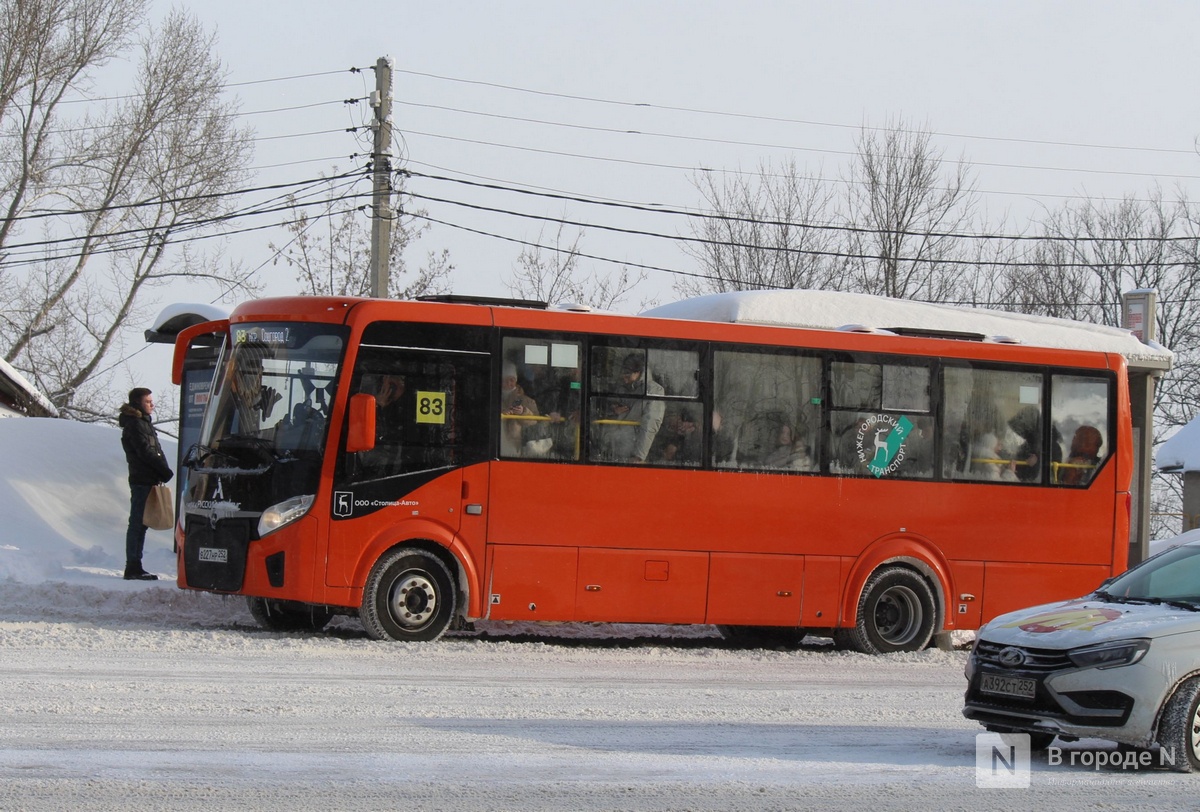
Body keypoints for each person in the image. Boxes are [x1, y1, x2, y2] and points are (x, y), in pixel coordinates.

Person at [118, 387, 173, 581]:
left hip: (148, 479)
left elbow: (152, 450)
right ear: (137, 403)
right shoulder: (135, 424)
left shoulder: (143, 423)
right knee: (138, 523)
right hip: (142, 480)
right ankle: (133, 566)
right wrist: (164, 470)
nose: (152, 405)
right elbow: (145, 452)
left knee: (141, 523)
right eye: (148, 402)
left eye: (151, 401)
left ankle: (135, 565)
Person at [605, 354, 665, 463]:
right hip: (613, 446)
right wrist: (613, 409)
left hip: (633, 451)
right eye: (623, 375)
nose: (625, 379)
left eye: (627, 376)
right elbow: (606, 404)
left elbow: (650, 423)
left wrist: (639, 455)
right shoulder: (622, 387)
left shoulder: (654, 390)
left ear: (638, 372)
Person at [500, 363, 548, 457]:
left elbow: (535, 422)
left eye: (511, 380)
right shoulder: (492, 396)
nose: (509, 383)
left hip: (514, 447)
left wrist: (523, 412)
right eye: (505, 380)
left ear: (516, 381)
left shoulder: (527, 401)